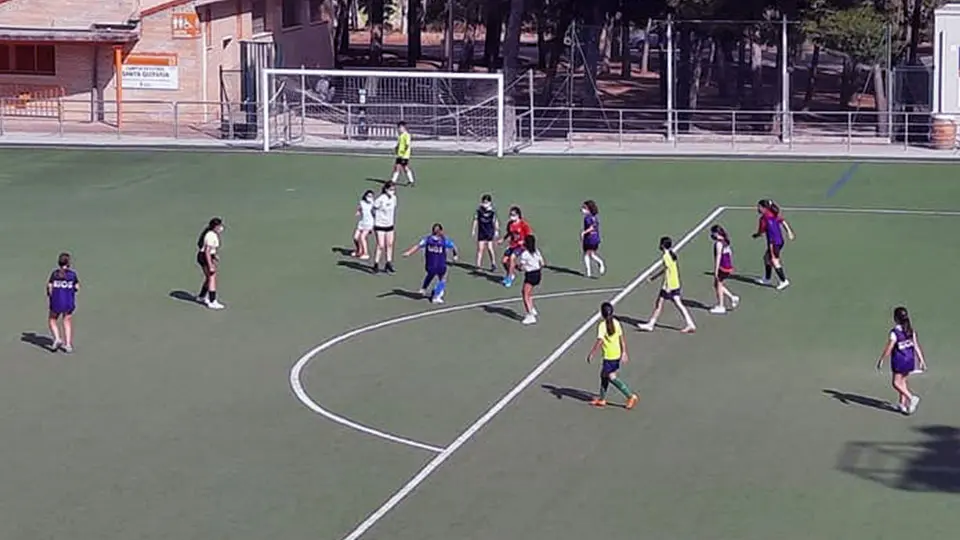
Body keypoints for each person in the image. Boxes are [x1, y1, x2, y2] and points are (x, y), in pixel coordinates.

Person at [637, 236, 696, 333]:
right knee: (678, 304)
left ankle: (651, 324)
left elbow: (667, 271)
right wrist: (654, 277)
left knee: (659, 304)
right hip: (675, 283)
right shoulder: (672, 255)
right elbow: (666, 269)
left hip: (669, 285)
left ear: (662, 245)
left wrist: (667, 287)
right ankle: (690, 323)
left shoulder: (666, 257)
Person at [586, 302, 639, 409]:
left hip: (609, 356)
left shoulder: (602, 326)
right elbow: (621, 338)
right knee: (604, 375)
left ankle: (630, 396)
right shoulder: (616, 323)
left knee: (611, 377)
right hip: (617, 354)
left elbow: (600, 341)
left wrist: (592, 353)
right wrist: (624, 352)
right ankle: (602, 399)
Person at [876, 306, 927, 415]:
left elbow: (889, 347)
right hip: (910, 360)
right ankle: (902, 405)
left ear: (895, 318)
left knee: (895, 383)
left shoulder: (895, 332)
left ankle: (911, 398)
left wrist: (882, 359)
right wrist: (921, 360)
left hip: (900, 360)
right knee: (902, 381)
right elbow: (916, 346)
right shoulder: (910, 330)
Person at [402, 223, 459, 303]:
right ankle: (436, 296)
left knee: (430, 274)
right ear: (441, 231)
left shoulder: (427, 240)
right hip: (441, 265)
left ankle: (423, 289)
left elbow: (418, 246)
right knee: (442, 279)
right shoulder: (444, 241)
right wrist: (455, 255)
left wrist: (408, 253)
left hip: (430, 265)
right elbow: (453, 246)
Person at [752, 199, 795, 290]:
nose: (757, 209)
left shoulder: (763, 219)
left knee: (774, 260)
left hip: (773, 243)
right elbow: (783, 222)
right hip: (779, 241)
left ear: (764, 208)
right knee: (766, 258)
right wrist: (789, 232)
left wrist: (756, 235)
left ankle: (783, 281)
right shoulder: (773, 214)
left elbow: (761, 231)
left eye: (759, 207)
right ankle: (767, 278)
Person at [47, 252, 79, 353]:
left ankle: (57, 339)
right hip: (68, 302)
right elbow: (77, 287)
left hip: (56, 302)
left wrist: (50, 295)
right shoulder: (72, 275)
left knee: (52, 319)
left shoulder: (55, 274)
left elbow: (49, 287)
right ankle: (68, 344)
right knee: (67, 321)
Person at [497, 206, 532, 287]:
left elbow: (529, 236)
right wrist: (503, 239)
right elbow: (509, 233)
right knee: (504, 261)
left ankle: (509, 279)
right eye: (510, 214)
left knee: (512, 257)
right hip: (512, 244)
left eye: (513, 215)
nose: (511, 216)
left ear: (518, 215)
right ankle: (511, 274)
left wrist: (524, 241)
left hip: (521, 246)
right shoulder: (510, 224)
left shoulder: (523, 224)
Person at [708, 224, 740, 314]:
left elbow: (718, 257)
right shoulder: (725, 241)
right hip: (728, 266)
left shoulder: (718, 243)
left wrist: (716, 270)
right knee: (717, 284)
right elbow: (730, 253)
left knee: (718, 284)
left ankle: (721, 306)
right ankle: (732, 298)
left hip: (723, 267)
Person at [196, 217, 225, 309]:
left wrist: (215, 255)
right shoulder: (211, 235)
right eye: (220, 226)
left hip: (207, 256)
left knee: (209, 277)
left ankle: (201, 297)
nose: (221, 228)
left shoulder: (212, 234)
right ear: (215, 227)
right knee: (212, 277)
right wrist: (210, 265)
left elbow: (210, 249)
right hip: (205, 257)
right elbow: (207, 251)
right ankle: (212, 301)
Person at [517, 234, 545, 325]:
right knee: (529, 293)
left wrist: (517, 267)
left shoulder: (524, 254)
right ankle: (532, 309)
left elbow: (521, 267)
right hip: (538, 273)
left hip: (530, 274)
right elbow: (542, 263)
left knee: (524, 294)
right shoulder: (537, 251)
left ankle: (530, 315)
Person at [372, 181, 398, 273]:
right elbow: (373, 208)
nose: (392, 191)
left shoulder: (394, 198)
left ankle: (388, 262)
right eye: (391, 189)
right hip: (380, 225)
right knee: (381, 245)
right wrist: (376, 219)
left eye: (394, 190)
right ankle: (376, 263)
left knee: (390, 244)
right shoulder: (380, 199)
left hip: (389, 224)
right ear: (386, 189)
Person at [471, 194, 499, 271]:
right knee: (480, 249)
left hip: (489, 231)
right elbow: (475, 220)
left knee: (490, 248)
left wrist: (496, 230)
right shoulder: (479, 211)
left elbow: (495, 221)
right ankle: (478, 266)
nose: (485, 204)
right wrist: (473, 229)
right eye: (484, 202)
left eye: (487, 202)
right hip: (481, 231)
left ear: (490, 202)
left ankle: (493, 263)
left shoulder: (492, 211)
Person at [581, 200, 606, 277]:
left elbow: (592, 227)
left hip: (589, 238)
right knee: (591, 254)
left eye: (584, 208)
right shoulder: (594, 217)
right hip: (595, 238)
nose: (582, 209)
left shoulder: (587, 218)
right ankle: (599, 264)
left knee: (586, 254)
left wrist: (584, 232)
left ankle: (589, 271)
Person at [351, 190, 375, 260]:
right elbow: (360, 208)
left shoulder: (373, 204)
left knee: (362, 237)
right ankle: (359, 251)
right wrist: (358, 212)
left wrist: (373, 227)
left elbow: (375, 213)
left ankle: (366, 253)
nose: (370, 197)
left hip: (369, 223)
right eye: (368, 196)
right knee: (355, 238)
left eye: (371, 196)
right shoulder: (362, 202)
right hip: (362, 223)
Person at [391, 121, 415, 186]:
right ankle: (411, 181)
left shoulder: (406, 135)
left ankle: (393, 181)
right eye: (398, 128)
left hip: (404, 155)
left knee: (398, 167)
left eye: (400, 128)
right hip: (400, 154)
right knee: (404, 167)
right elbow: (400, 144)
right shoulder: (401, 135)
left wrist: (403, 152)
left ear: (404, 127)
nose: (399, 129)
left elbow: (407, 145)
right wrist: (396, 148)